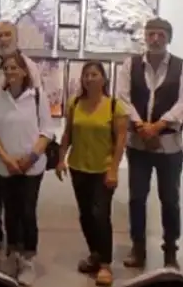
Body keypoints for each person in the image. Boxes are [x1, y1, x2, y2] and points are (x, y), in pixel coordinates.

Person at [117, 17, 183, 269]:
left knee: (170, 199)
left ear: (169, 38)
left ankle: (170, 251)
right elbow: (123, 98)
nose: (155, 39)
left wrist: (158, 126)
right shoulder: (130, 65)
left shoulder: (180, 66)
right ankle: (138, 248)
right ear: (145, 36)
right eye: (151, 34)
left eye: (160, 35)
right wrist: (141, 126)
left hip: (170, 145)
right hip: (138, 144)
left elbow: (182, 102)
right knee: (137, 198)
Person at [56, 61, 128, 285]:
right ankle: (95, 254)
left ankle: (105, 264)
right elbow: (68, 133)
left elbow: (121, 141)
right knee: (86, 215)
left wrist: (114, 169)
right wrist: (61, 159)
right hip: (78, 167)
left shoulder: (115, 106)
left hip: (103, 169)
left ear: (103, 79)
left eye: (94, 74)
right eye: (86, 75)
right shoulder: (75, 103)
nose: (89, 79)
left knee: (100, 215)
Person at [0, 53, 52, 285]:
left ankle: (28, 258)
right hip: (5, 167)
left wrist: (30, 158)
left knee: (27, 211)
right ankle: (13, 253)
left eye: (14, 68)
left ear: (24, 71)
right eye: (7, 68)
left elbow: (47, 131)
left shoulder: (37, 96)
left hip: (31, 168)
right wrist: (6, 159)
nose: (10, 72)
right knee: (10, 212)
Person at [0, 21, 41, 247]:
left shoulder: (30, 66)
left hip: (20, 140)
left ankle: (22, 243)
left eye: (7, 35)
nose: (3, 39)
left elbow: (34, 103)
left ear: (16, 37)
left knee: (21, 199)